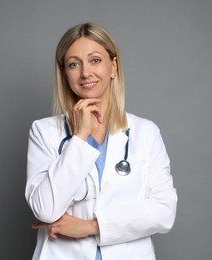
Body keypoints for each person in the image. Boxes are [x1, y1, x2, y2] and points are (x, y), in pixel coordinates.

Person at [25, 22, 177, 260]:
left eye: (95, 60)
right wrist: (79, 138)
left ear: (113, 66)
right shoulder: (44, 131)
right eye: (74, 64)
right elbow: (45, 209)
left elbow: (164, 212)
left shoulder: (145, 132)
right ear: (65, 73)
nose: (86, 73)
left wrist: (92, 227)